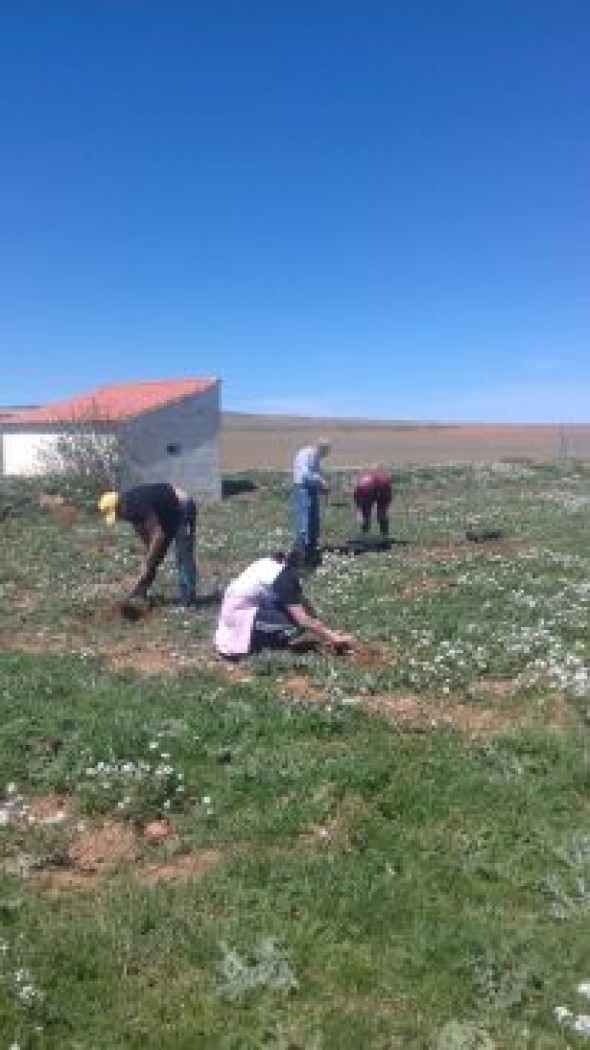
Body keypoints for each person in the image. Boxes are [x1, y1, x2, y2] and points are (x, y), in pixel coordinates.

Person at [215, 545, 355, 659]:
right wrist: (333, 638)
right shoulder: (284, 580)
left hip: (244, 606)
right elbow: (303, 620)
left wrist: (325, 630)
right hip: (238, 614)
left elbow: (302, 603)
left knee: (297, 620)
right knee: (294, 625)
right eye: (312, 570)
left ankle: (262, 638)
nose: (313, 575)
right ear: (303, 568)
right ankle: (259, 645)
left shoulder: (282, 567)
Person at [98, 482, 198, 606]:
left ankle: (188, 601)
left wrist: (147, 561)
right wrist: (148, 558)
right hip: (164, 513)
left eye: (116, 514)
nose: (118, 518)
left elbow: (158, 535)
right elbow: (148, 537)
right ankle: (139, 594)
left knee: (183, 555)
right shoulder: (127, 511)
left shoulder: (136, 503)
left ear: (119, 505)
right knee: (153, 557)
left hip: (183, 507)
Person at [292, 440, 331, 565]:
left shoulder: (316, 457)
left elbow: (316, 473)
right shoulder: (305, 454)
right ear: (320, 447)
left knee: (314, 520)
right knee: (304, 521)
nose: (325, 455)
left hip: (312, 489)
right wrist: (321, 482)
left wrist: (321, 487)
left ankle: (311, 550)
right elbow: (305, 475)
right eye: (325, 452)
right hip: (303, 489)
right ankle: (300, 554)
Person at [353, 467, 393, 537]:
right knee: (366, 515)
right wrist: (360, 512)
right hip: (370, 487)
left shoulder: (383, 484)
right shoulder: (360, 490)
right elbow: (359, 503)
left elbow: (385, 502)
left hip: (380, 488)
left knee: (380, 514)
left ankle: (383, 535)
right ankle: (365, 535)